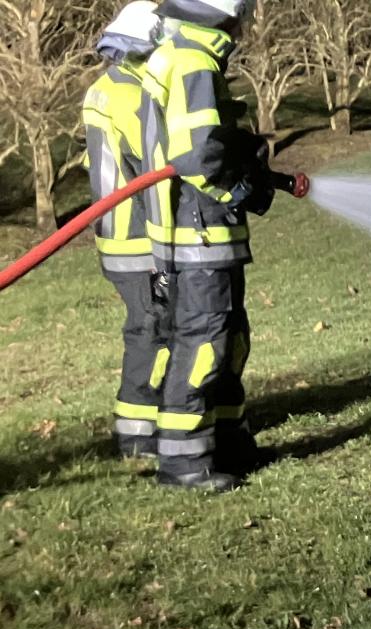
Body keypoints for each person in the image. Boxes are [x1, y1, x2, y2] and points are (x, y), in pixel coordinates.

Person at [140, 0, 275, 491]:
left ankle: (229, 445)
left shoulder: (186, 56)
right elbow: (198, 157)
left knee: (228, 343)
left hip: (207, 237)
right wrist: (239, 188)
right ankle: (183, 464)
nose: (246, 23)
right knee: (203, 347)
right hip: (199, 237)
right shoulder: (193, 62)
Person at [84, 1, 165, 460]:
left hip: (112, 230)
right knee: (150, 327)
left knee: (148, 325)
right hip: (137, 233)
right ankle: (138, 434)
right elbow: (152, 159)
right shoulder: (131, 94)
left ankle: (144, 426)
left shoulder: (101, 88)